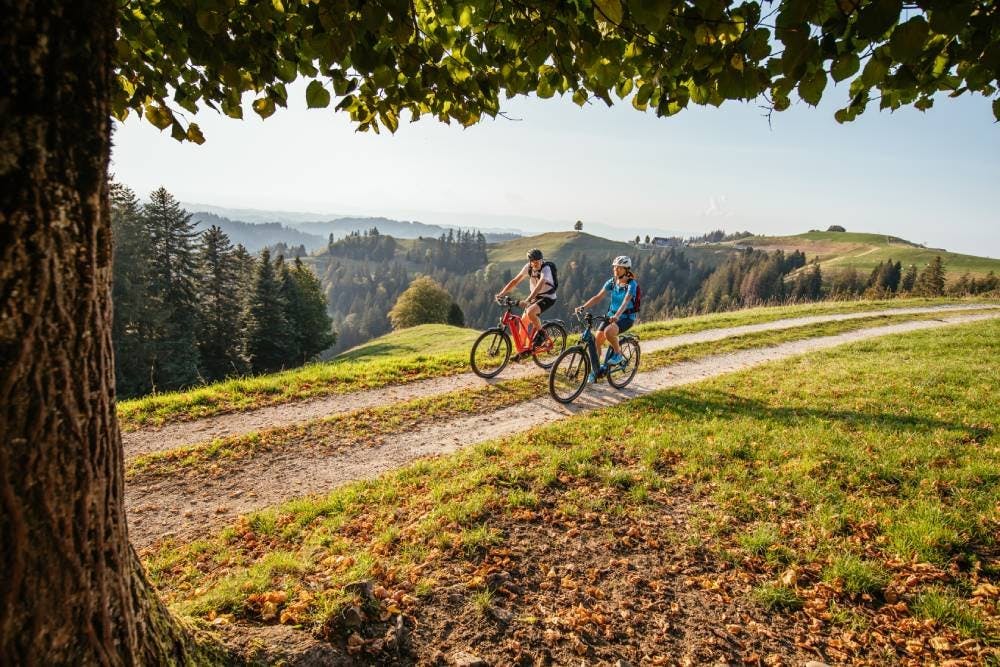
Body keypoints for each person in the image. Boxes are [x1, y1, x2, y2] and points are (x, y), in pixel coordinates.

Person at [575, 255, 637, 381]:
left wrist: (617, 316)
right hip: (611, 315)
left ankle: (618, 354)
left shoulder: (632, 284)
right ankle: (596, 370)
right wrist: (583, 306)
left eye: (619, 268)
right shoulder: (612, 282)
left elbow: (625, 302)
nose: (616, 270)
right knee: (597, 340)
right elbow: (598, 297)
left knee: (609, 332)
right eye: (615, 267)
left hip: (626, 317)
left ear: (626, 269)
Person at [495, 248, 557, 348]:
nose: (537, 264)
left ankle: (542, 336)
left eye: (539, 261)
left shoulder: (546, 268)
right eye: (535, 262)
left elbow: (540, 284)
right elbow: (515, 281)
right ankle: (522, 350)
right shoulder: (528, 267)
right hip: (535, 297)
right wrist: (501, 293)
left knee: (531, 312)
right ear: (530, 262)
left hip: (548, 297)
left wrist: (527, 300)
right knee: (523, 321)